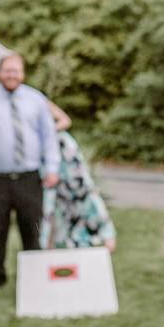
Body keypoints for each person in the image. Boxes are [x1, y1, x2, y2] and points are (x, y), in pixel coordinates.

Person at [0, 54, 59, 287]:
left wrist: (53, 168)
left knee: (32, 228)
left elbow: (49, 136)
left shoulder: (36, 100)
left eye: (16, 70)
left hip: (30, 178)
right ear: (0, 72)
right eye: (8, 70)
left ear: (23, 73)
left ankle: (33, 279)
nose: (12, 75)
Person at [40, 101, 117, 252]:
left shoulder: (36, 99)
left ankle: (106, 234)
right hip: (42, 156)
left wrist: (46, 134)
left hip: (63, 150)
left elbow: (65, 120)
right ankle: (48, 246)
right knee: (49, 203)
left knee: (83, 192)